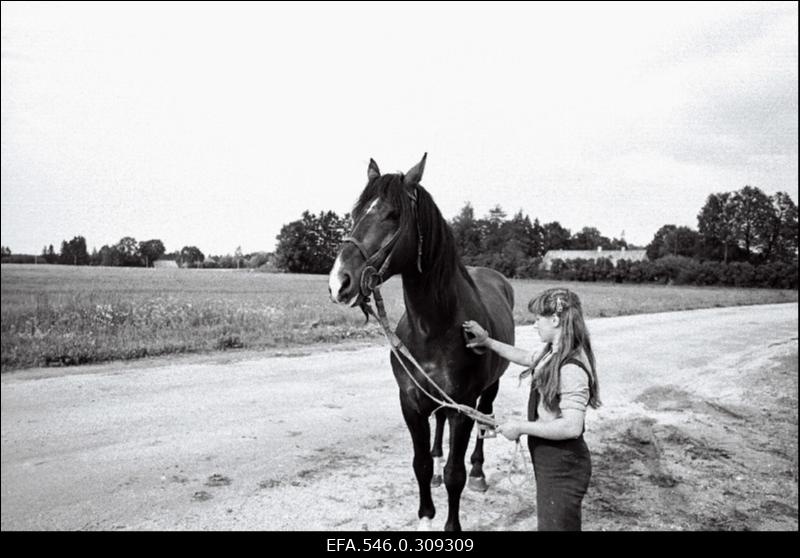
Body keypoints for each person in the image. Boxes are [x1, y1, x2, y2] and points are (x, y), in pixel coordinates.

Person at [462, 287, 600, 531]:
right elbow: (526, 357)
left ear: (555, 320)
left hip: (563, 461)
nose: (534, 325)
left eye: (538, 319)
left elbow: (571, 426)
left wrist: (520, 427)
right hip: (551, 457)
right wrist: (487, 341)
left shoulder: (571, 366)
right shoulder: (554, 351)